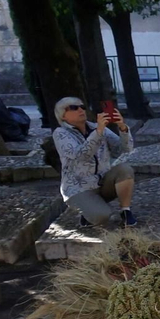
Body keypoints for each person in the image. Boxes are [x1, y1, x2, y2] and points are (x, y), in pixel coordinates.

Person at [51, 97, 138, 228]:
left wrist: (122, 127)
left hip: (102, 183)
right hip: (78, 189)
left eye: (82, 107)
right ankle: (87, 211)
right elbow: (81, 156)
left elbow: (125, 149)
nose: (81, 110)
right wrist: (98, 133)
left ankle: (126, 211)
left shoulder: (96, 127)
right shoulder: (61, 134)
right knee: (101, 217)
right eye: (74, 108)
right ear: (62, 115)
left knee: (125, 170)